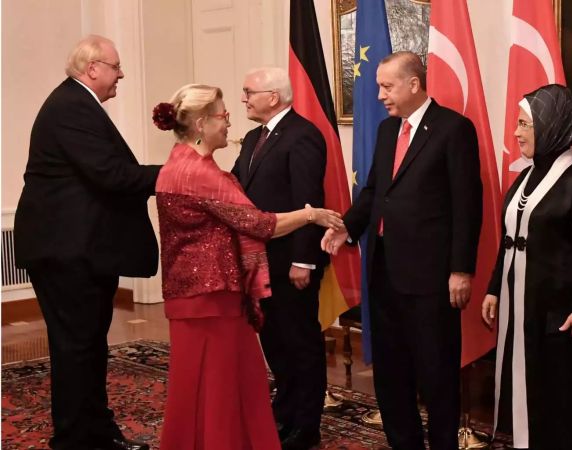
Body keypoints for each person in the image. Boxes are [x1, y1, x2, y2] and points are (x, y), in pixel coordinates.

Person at [151, 84, 343, 450]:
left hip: (197, 294)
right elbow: (259, 224)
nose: (228, 121)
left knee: (204, 384)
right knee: (222, 384)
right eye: (223, 115)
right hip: (210, 295)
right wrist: (310, 214)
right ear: (203, 123)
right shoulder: (199, 174)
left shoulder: (181, 161)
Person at [321, 51, 482, 450]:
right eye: (378, 85)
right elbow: (374, 191)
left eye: (386, 86)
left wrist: (461, 269)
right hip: (384, 272)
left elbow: (467, 204)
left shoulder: (453, 129)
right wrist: (348, 227)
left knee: (436, 373)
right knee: (391, 374)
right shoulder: (386, 131)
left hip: (431, 279)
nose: (379, 95)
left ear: (414, 84)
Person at [14, 35, 159, 450]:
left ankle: (96, 432)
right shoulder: (71, 106)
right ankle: (77, 439)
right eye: (116, 67)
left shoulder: (76, 103)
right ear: (92, 68)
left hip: (83, 249)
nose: (122, 74)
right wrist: (177, 174)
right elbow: (111, 174)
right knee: (77, 349)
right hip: (66, 251)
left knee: (88, 346)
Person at [481, 84, 572, 450]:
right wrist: (493, 287)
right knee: (527, 395)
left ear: (551, 125)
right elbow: (509, 239)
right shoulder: (524, 177)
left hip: (561, 318)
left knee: (558, 404)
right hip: (523, 309)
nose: (516, 133)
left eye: (524, 124)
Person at [231, 67, 328, 450]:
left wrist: (304, 261)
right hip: (261, 260)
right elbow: (237, 184)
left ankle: (307, 425)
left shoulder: (303, 135)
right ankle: (285, 415)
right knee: (274, 342)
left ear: (273, 96)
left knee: (300, 344)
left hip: (291, 262)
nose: (244, 99)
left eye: (248, 91)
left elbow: (309, 202)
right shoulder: (255, 137)